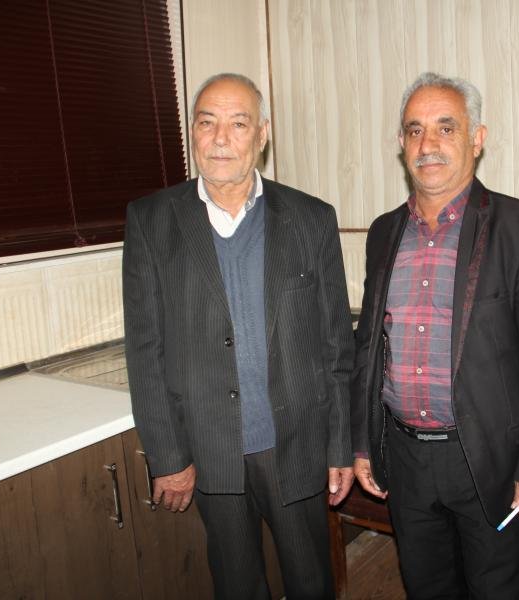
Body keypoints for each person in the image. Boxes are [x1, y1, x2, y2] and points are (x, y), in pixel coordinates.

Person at [123, 73, 354, 600]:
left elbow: (337, 347)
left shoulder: (311, 218)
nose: (221, 138)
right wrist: (167, 457)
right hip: (210, 450)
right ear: (192, 132)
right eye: (207, 123)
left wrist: (340, 445)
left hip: (295, 445)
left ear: (262, 134)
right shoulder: (151, 220)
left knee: (311, 583)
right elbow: (144, 350)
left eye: (238, 123)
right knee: (236, 586)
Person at [350, 72, 519, 599]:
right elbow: (368, 350)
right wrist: (362, 443)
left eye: (446, 128)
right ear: (401, 144)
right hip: (404, 456)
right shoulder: (384, 232)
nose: (427, 144)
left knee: (499, 588)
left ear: (477, 138)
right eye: (414, 130)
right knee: (426, 587)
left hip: (488, 459)